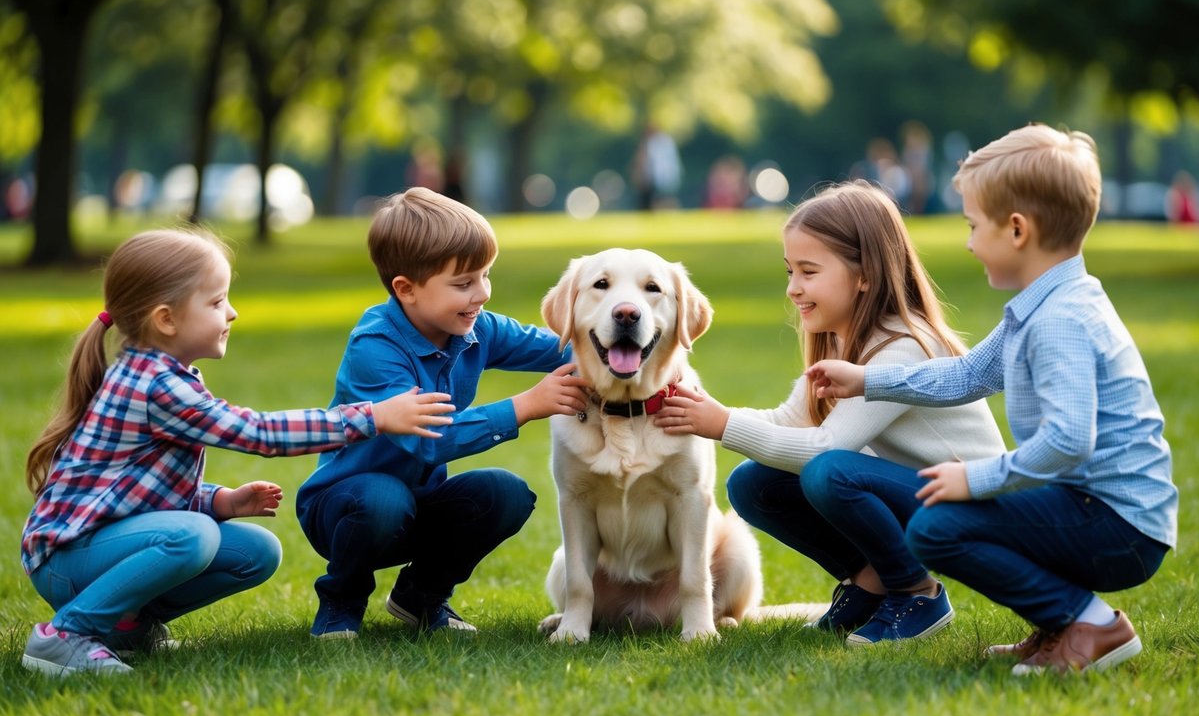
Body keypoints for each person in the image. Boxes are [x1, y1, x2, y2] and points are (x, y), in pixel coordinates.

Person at [808, 124, 1178, 675]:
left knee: (938, 526)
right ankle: (1060, 625)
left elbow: (1070, 442)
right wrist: (868, 381)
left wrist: (976, 479)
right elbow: (965, 376)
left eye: (973, 225)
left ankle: (1092, 624)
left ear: (1017, 230)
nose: (968, 240)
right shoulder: (1044, 304)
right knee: (942, 520)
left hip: (1118, 526)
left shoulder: (1060, 321)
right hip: (1094, 512)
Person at [20, 227, 456, 677]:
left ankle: (125, 628)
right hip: (67, 557)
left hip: (100, 546)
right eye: (215, 302)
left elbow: (135, 489)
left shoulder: (164, 373)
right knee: (192, 537)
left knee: (256, 551)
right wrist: (373, 417)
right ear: (166, 320)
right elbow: (258, 433)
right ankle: (66, 636)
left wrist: (219, 501)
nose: (231, 312)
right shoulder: (157, 384)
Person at [654, 181, 1005, 645]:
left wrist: (722, 424)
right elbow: (785, 423)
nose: (793, 289)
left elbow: (827, 447)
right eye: (789, 271)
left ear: (865, 276)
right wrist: (707, 414)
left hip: (975, 507)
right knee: (753, 482)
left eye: (808, 272)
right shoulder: (844, 339)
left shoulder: (901, 348)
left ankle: (916, 591)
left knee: (831, 472)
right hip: (917, 494)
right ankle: (870, 584)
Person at [296, 187, 590, 640]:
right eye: (463, 283)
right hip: (344, 508)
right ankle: (341, 602)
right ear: (406, 289)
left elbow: (558, 348)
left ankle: (421, 597)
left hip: (418, 503)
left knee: (505, 493)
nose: (482, 294)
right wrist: (525, 406)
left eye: (485, 275)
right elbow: (428, 440)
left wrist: (623, 343)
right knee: (383, 498)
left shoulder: (476, 327)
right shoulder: (375, 346)